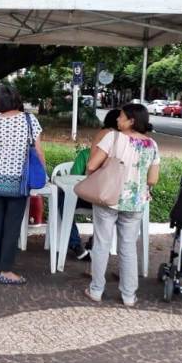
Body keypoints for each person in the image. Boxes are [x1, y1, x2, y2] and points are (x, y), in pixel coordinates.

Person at [84, 103, 159, 307]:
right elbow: (153, 179)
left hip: (110, 197)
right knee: (127, 247)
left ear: (131, 121)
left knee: (102, 244)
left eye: (121, 117)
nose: (117, 119)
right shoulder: (152, 145)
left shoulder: (113, 137)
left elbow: (91, 165)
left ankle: (96, 290)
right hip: (135, 202)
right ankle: (128, 295)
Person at [0, 85, 45, 285]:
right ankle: (6, 270)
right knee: (11, 226)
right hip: (18, 181)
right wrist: (43, 171)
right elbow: (39, 151)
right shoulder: (29, 120)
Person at [59, 109, 121, 260]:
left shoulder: (105, 135)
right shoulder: (133, 141)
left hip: (96, 194)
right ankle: (95, 242)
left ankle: (75, 244)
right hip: (116, 197)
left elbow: (90, 168)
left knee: (62, 199)